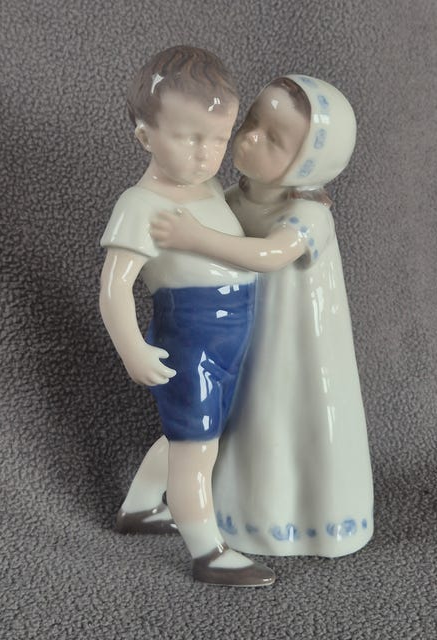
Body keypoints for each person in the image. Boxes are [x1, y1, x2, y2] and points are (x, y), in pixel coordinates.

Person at [151, 75, 374, 557]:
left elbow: (271, 254)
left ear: (308, 163)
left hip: (292, 344)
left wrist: (194, 237)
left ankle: (297, 521)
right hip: (239, 332)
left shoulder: (309, 215)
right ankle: (215, 505)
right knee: (238, 418)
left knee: (282, 415)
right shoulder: (235, 196)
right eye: (252, 121)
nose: (250, 137)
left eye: (273, 139)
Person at [99, 46, 275, 586]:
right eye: (188, 138)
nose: (205, 154)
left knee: (195, 432)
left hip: (233, 330)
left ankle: (139, 506)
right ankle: (207, 550)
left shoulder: (208, 189)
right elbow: (114, 288)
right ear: (145, 137)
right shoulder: (140, 204)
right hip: (190, 333)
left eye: (217, 139)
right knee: (196, 447)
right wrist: (132, 346)